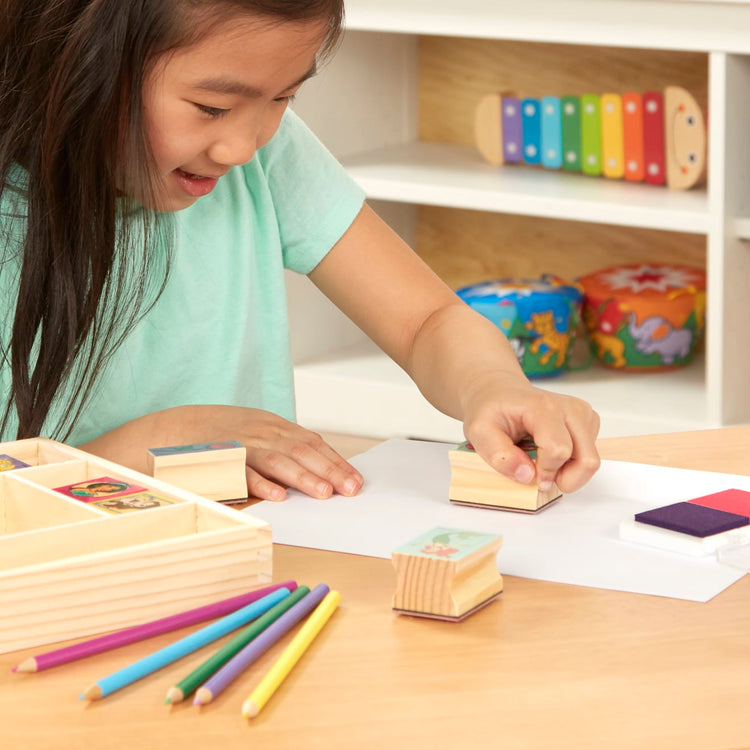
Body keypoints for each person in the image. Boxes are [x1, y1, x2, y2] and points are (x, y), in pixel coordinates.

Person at [0, 0, 600, 504]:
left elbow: (426, 321)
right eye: (211, 108)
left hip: (252, 568)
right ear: (74, 60)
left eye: (282, 98)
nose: (242, 146)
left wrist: (492, 385)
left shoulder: (267, 153)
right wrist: (156, 444)